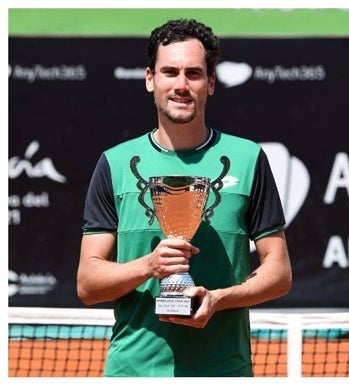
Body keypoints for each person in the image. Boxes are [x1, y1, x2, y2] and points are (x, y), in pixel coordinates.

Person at [77, 18, 292, 377]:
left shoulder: (248, 158)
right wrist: (149, 266)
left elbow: (279, 273)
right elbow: (87, 284)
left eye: (193, 73)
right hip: (133, 372)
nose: (181, 84)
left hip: (223, 371)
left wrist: (218, 299)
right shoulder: (114, 163)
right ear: (150, 79)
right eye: (170, 72)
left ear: (210, 83)